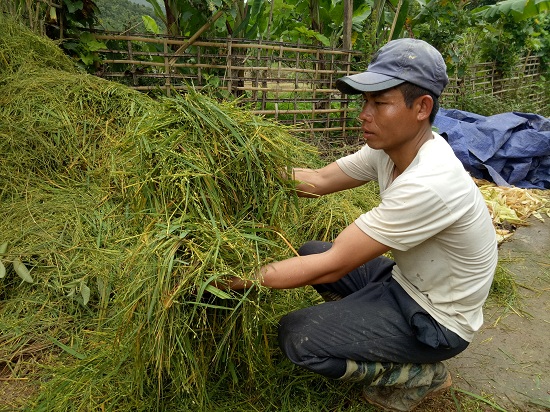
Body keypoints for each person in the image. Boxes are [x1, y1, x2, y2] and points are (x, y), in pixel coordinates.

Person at [223, 38, 498, 411]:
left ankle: (421, 374)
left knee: (298, 336)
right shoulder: (387, 151)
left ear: (421, 107)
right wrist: (245, 172)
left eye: (379, 103)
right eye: (365, 102)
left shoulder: (431, 181)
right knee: (310, 251)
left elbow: (337, 261)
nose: (363, 114)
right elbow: (318, 181)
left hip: (438, 320)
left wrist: (236, 281)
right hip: (407, 281)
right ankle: (364, 327)